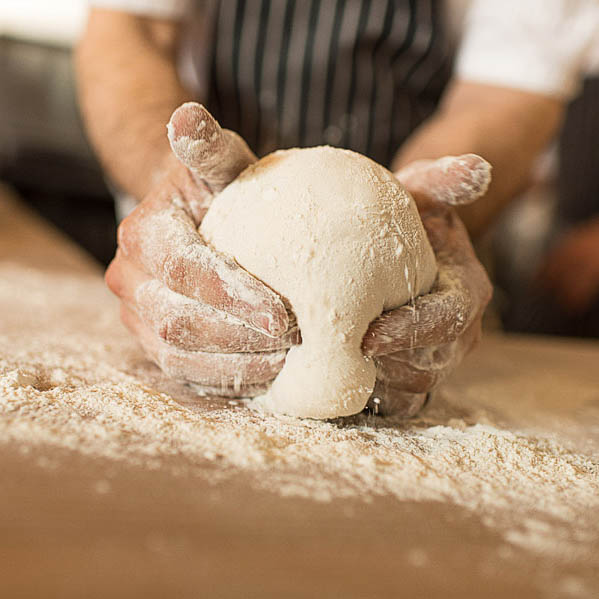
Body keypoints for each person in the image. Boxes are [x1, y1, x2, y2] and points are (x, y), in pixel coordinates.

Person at [75, 0, 599, 413]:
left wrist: (415, 221)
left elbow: (506, 92)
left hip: (414, 266)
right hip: (199, 267)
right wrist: (175, 182)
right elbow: (131, 32)